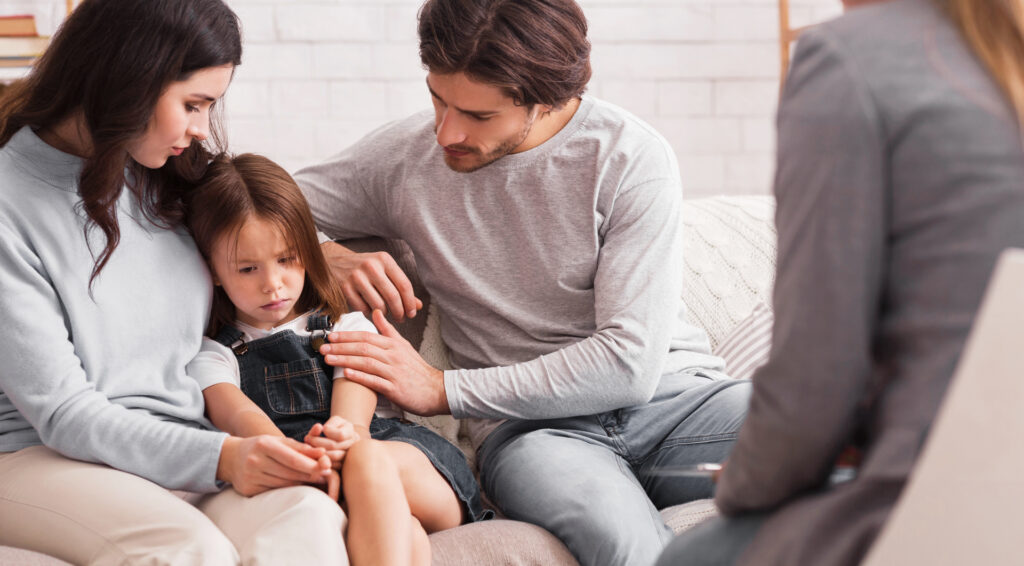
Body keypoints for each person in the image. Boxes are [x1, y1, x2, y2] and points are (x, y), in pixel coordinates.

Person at [294, 0, 752, 564]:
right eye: (438, 98)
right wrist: (323, 251)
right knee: (625, 547)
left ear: (547, 101)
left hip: (679, 406)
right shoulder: (404, 159)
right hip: (535, 436)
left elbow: (629, 364)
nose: (446, 132)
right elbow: (248, 206)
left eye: (480, 116)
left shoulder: (629, 156)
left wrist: (443, 389)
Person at [655, 0, 1024, 565]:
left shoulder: (852, 61)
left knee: (691, 556)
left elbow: (813, 386)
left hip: (948, 509)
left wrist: (741, 486)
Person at [0, 1, 351, 564]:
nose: (201, 128)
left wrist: (327, 250)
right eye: (192, 104)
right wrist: (225, 457)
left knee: (305, 514)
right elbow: (65, 413)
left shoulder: (162, 170)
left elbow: (255, 215)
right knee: (190, 548)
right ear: (129, 78)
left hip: (182, 441)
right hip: (39, 457)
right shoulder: (8, 205)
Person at [185, 152, 491, 566]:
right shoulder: (214, 356)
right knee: (406, 537)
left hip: (400, 462)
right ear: (214, 272)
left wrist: (342, 440)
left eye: (286, 259)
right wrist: (299, 460)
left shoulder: (345, 325)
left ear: (308, 252)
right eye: (247, 269)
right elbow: (243, 422)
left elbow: (353, 422)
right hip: (311, 475)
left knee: (362, 457)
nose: (272, 284)